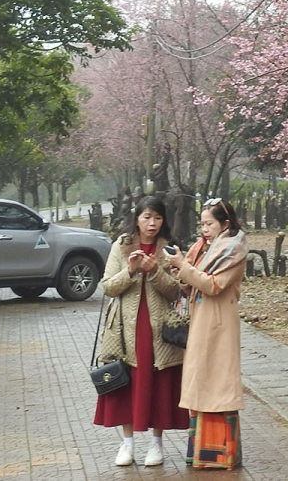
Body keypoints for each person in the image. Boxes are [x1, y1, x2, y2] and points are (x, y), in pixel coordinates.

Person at [94, 195, 188, 467]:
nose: (152, 223)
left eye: (157, 218)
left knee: (158, 381)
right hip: (125, 328)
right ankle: (127, 444)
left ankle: (157, 444)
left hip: (159, 327)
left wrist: (156, 271)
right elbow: (108, 287)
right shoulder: (121, 246)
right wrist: (132, 270)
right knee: (126, 382)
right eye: (147, 217)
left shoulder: (169, 248)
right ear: (136, 218)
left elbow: (177, 290)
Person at [168, 198, 248, 470]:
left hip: (218, 323)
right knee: (202, 381)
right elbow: (191, 282)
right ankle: (201, 453)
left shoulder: (233, 249)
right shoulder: (203, 247)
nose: (204, 229)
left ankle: (222, 454)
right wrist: (179, 266)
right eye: (202, 224)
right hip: (201, 319)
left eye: (209, 224)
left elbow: (213, 285)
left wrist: (184, 265)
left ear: (225, 224)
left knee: (217, 384)